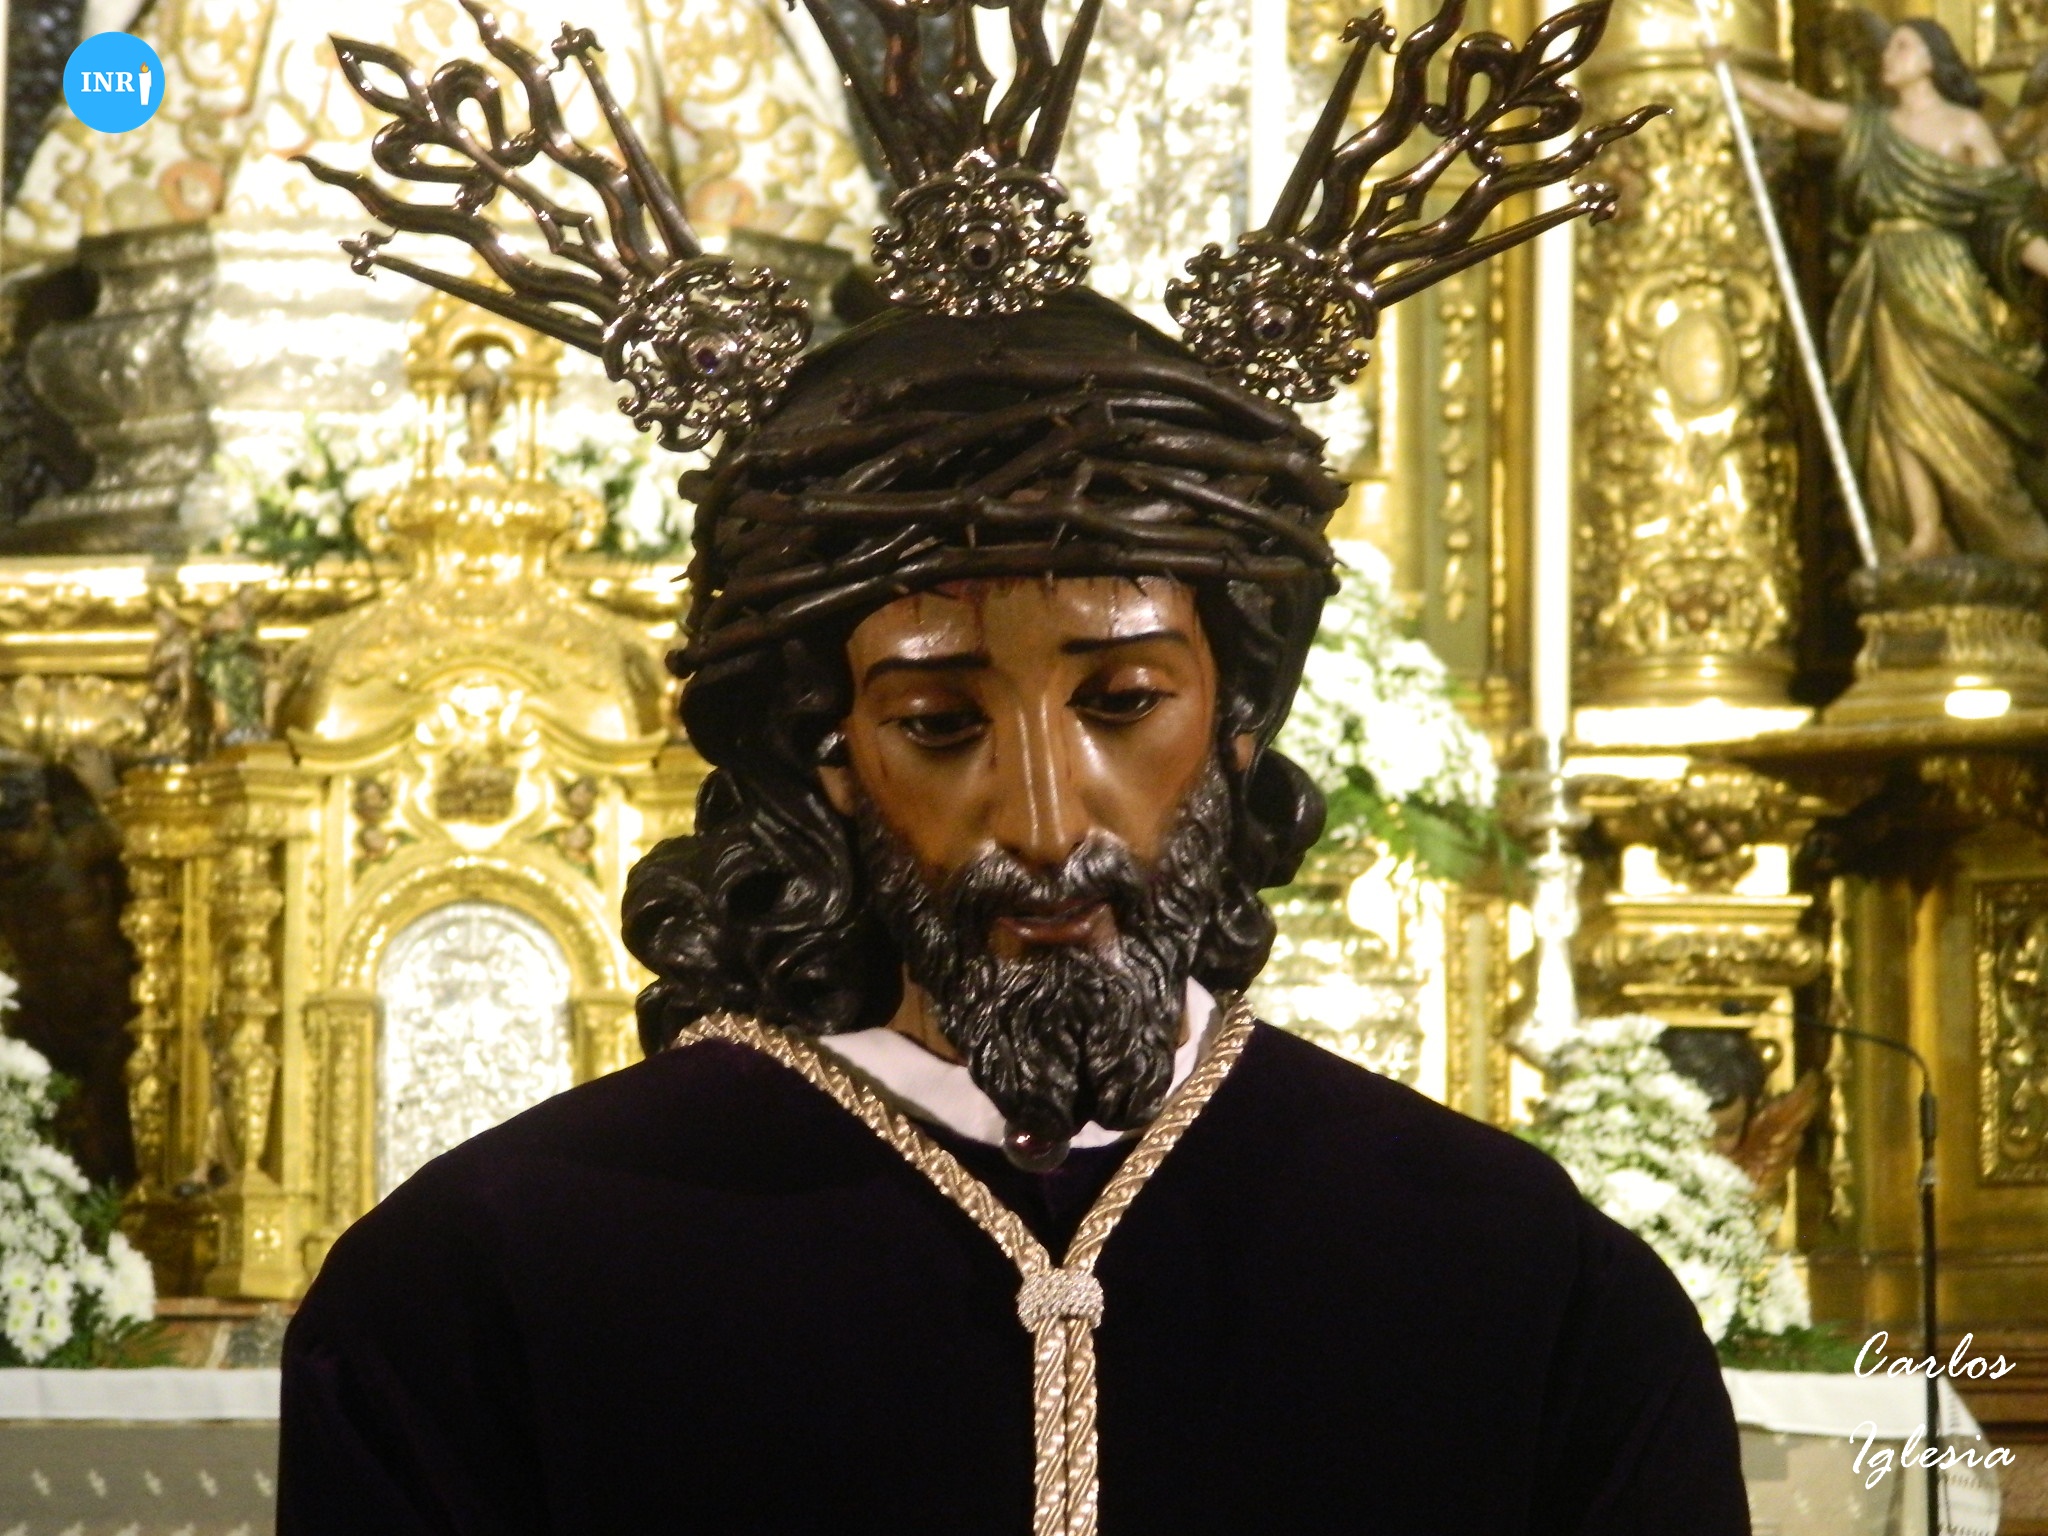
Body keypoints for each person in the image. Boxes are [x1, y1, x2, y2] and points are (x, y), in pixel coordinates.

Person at [280, 2, 1746, 1531]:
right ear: (827, 751)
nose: (1045, 825)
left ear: (1238, 718)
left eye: (1123, 701)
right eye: (939, 721)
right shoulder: (489, 1288)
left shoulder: (1518, 1283)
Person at [1725, 20, 2048, 563]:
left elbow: (2006, 213)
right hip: (1883, 274)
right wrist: (1731, 73)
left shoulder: (1966, 126)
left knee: (1962, 399)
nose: (1889, 56)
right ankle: (1925, 529)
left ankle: (2003, 526)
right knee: (1894, 404)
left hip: (1944, 277)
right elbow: (1804, 109)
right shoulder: (1873, 125)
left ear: (1930, 60)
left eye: (1903, 46)